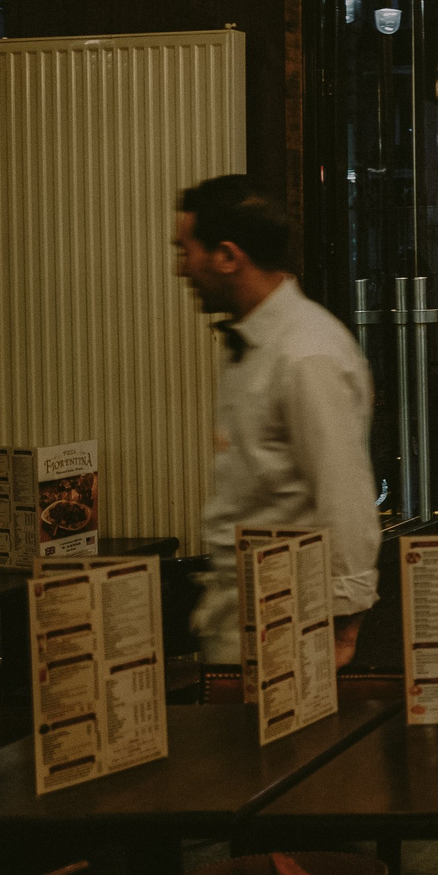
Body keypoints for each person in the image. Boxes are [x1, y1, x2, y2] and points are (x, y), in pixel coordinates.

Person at [172, 175, 381, 667]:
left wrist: (344, 623)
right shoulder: (262, 343)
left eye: (186, 251)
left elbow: (343, 496)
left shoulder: (304, 353)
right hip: (240, 618)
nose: (181, 269)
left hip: (288, 629)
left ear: (227, 255)